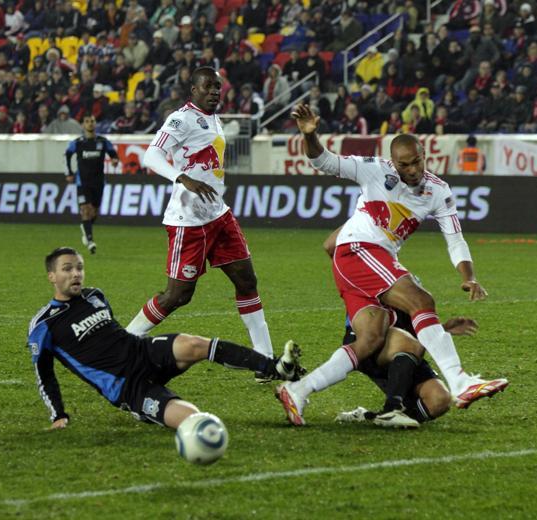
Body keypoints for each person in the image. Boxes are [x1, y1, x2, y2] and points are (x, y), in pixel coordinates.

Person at [276, 104, 509, 426]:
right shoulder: (373, 169)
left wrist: (469, 277)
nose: (411, 170)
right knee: (422, 301)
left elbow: (455, 239)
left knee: (370, 339)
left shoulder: (438, 191)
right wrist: (310, 134)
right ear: (393, 161)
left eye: (416, 162)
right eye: (404, 164)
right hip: (359, 249)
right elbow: (324, 161)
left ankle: (298, 391)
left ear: (424, 155)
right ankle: (460, 382)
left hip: (364, 260)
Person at [28, 247, 303, 430]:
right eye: (67, 269)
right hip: (127, 386)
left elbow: (113, 335)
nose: (75, 273)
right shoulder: (44, 325)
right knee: (195, 420)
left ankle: (274, 367)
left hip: (142, 351)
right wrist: (58, 415)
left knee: (193, 344)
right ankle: (155, 413)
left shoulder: (94, 296)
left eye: (79, 267)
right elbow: (45, 375)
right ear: (52, 276)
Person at [125, 67, 278, 380]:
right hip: (188, 222)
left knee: (247, 281)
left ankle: (266, 361)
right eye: (208, 86)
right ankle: (124, 344)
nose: (214, 92)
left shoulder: (213, 118)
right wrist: (182, 178)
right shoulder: (181, 119)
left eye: (217, 87)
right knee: (177, 295)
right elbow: (151, 156)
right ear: (192, 89)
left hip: (219, 215)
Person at [319, 227, 484, 429]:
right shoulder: (359, 265)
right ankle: (391, 409)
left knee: (439, 401)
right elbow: (329, 245)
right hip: (367, 343)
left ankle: (371, 417)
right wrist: (359, 220)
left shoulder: (410, 282)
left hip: (402, 349)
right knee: (408, 345)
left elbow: (414, 327)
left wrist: (443, 329)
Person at [64, 115, 120, 254]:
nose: (90, 124)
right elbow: (67, 155)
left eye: (92, 121)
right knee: (85, 210)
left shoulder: (103, 141)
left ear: (95, 124)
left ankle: (86, 227)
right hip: (82, 182)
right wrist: (69, 172)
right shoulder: (77, 143)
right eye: (87, 121)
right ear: (83, 125)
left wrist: (114, 160)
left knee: (94, 212)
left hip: (98, 182)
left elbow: (113, 154)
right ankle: (90, 241)